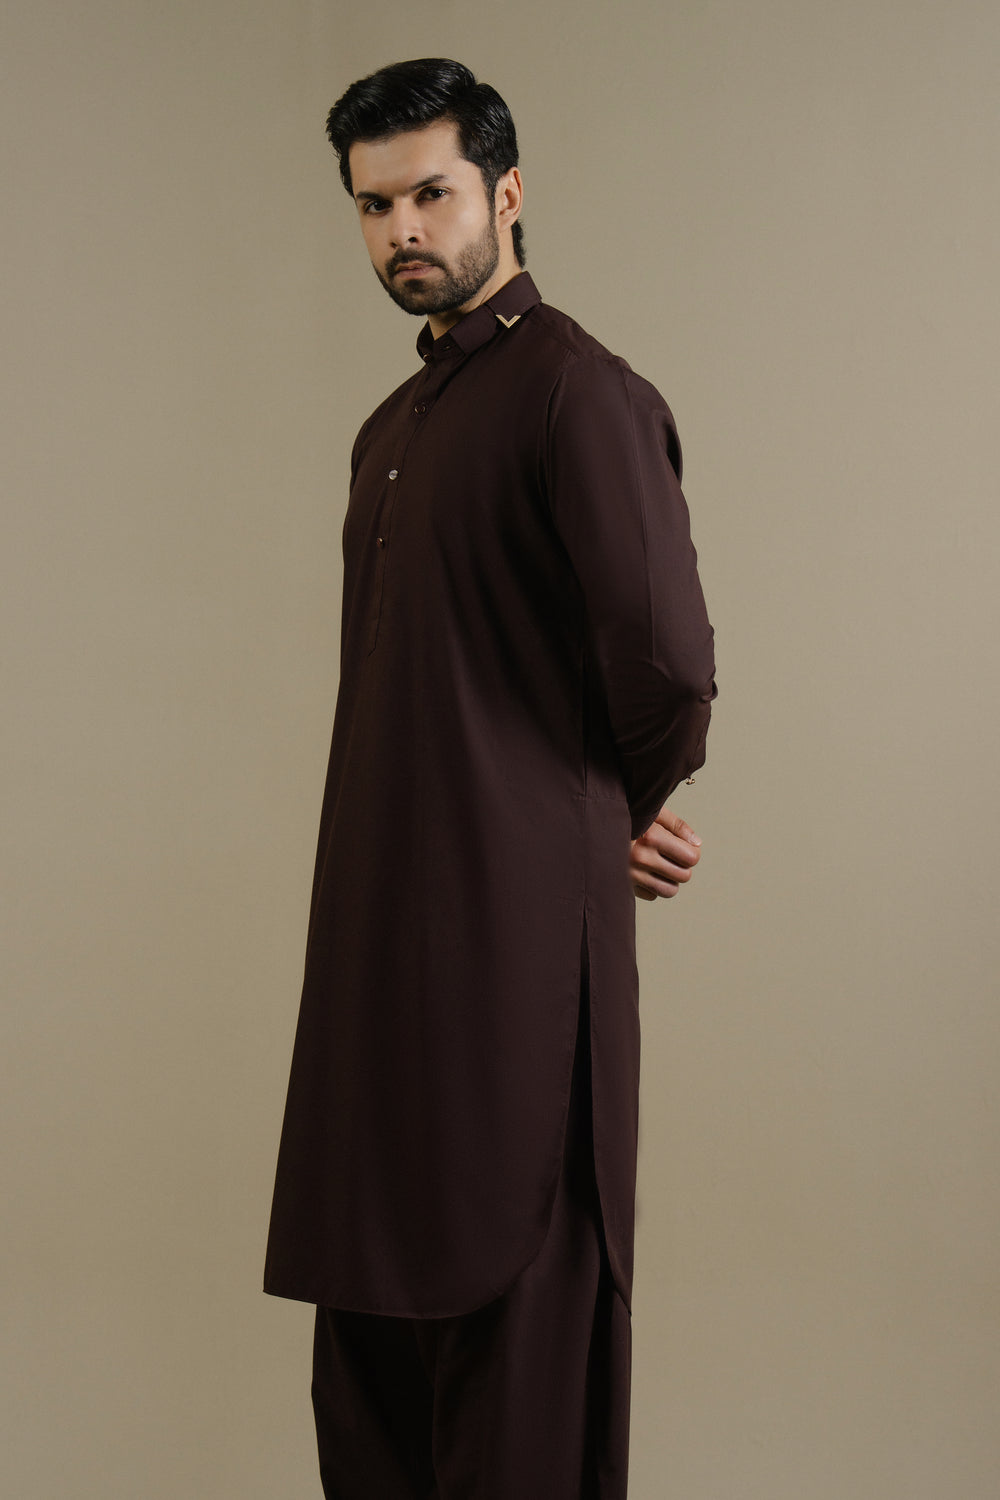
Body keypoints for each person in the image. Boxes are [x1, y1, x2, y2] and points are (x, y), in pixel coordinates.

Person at [264, 57, 717, 1500]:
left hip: (520, 960)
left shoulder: (575, 392)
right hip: (375, 966)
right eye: (373, 205)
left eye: (432, 194)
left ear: (506, 192)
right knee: (370, 1365)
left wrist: (597, 811)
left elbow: (666, 660)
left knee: (520, 1357)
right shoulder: (390, 433)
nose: (403, 229)